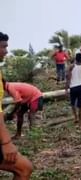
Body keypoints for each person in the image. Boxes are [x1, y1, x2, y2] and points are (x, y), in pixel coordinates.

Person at [0, 32, 33, 180]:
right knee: (24, 168)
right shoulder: (10, 86)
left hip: (32, 99)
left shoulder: (5, 81)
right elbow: (17, 100)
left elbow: (18, 101)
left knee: (28, 116)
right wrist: (6, 142)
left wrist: (12, 112)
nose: (6, 51)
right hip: (25, 101)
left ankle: (30, 130)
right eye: (3, 47)